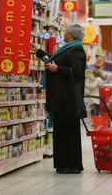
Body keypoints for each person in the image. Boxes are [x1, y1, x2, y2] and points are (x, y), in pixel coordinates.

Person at [32, 24, 87, 174]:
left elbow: (77, 73)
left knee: (69, 132)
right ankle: (63, 164)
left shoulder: (76, 50)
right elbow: (53, 61)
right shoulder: (68, 48)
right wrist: (38, 52)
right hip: (61, 97)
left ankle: (73, 165)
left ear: (71, 34)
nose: (64, 33)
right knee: (61, 131)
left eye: (66, 31)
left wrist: (58, 70)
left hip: (68, 98)